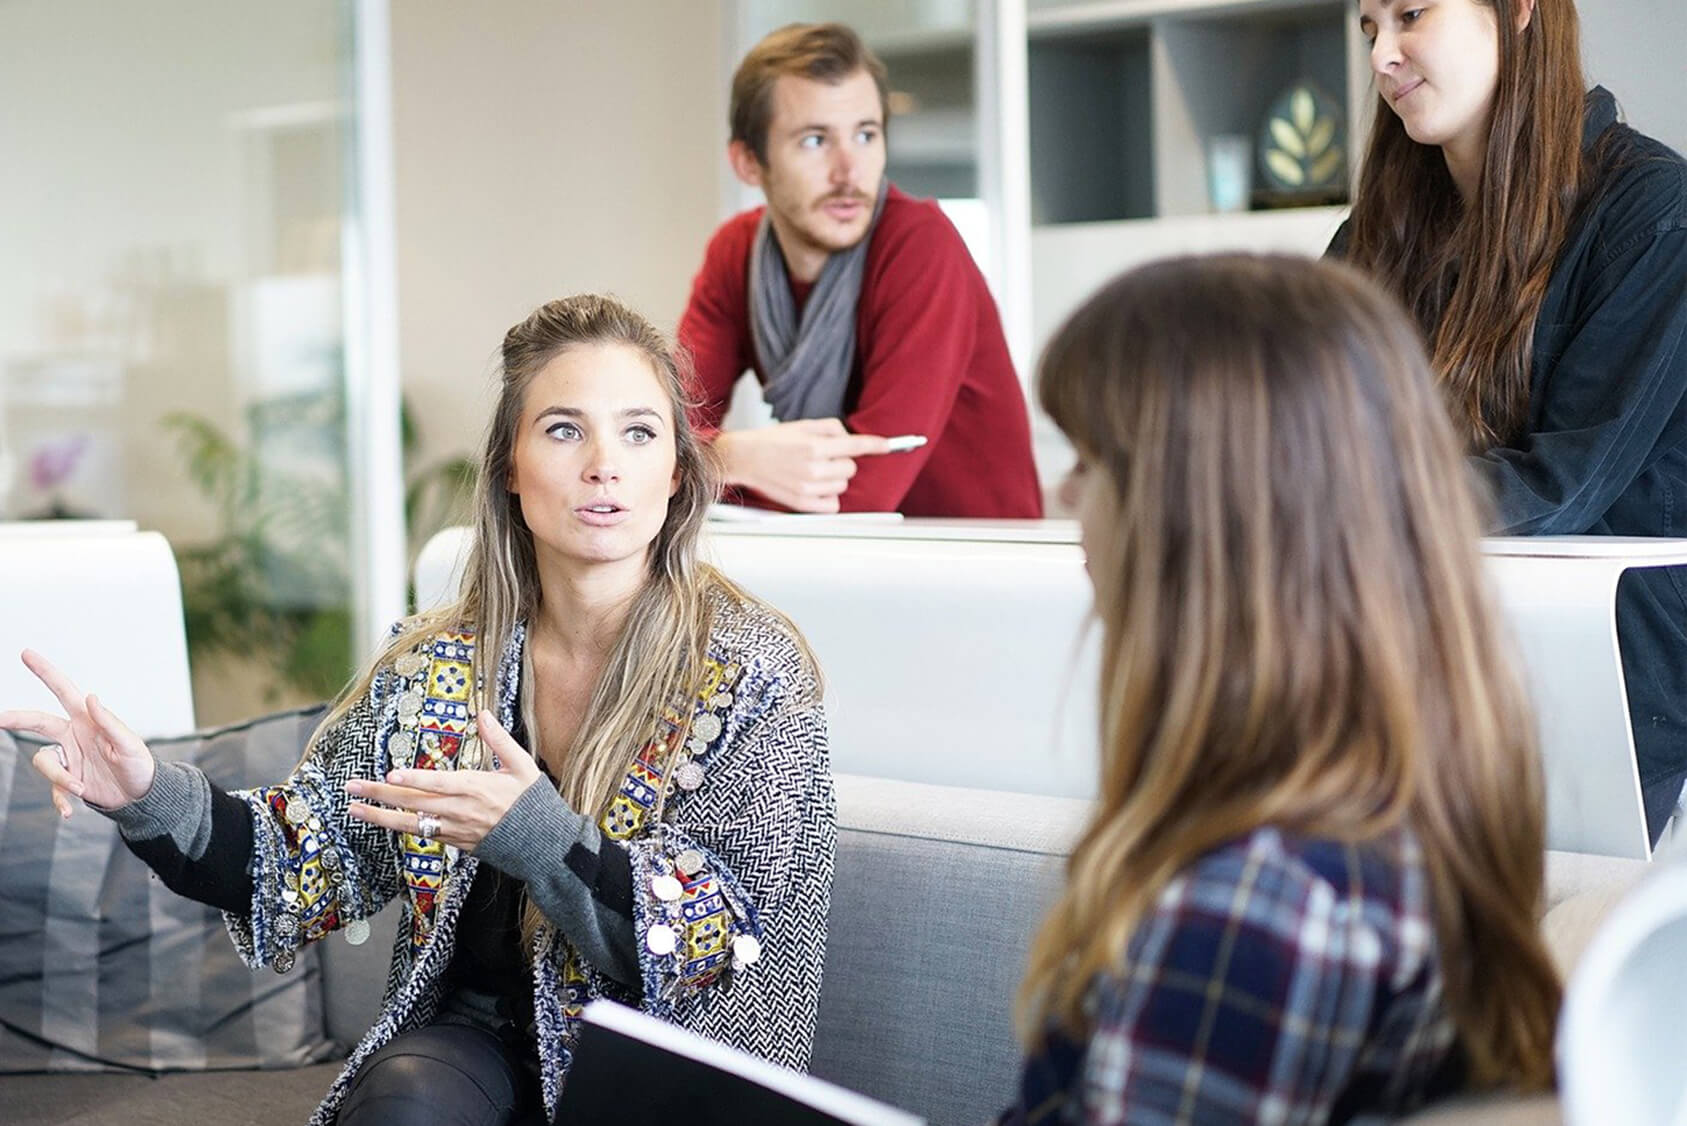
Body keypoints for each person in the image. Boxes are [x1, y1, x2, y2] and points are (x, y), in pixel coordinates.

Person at [3, 295, 836, 1126]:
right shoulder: (438, 662)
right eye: (562, 429)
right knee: (406, 1103)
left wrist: (540, 837)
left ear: (677, 473)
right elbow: (302, 856)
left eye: (638, 432)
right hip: (471, 1052)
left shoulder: (754, 671)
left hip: (657, 1066)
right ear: (509, 466)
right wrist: (144, 792)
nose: (603, 464)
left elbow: (724, 945)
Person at [999, 255, 1562, 1124]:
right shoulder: (1401, 808)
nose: (1065, 496)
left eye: (1090, 462)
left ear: (1194, 511)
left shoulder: (1257, 906)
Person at [1331, 0, 1687, 842]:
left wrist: (1323, 505)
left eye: (1410, 14)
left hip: (1613, 701)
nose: (1383, 55)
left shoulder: (1651, 212)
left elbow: (1559, 483)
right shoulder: (1377, 234)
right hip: (1426, 684)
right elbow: (1303, 434)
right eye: (1368, 26)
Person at [677, 22, 1044, 517]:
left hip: (975, 563)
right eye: (814, 140)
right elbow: (659, 433)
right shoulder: (735, 254)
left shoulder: (920, 245)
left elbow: (864, 491)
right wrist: (733, 455)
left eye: (866, 135)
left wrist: (701, 465)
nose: (849, 172)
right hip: (844, 559)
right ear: (748, 163)